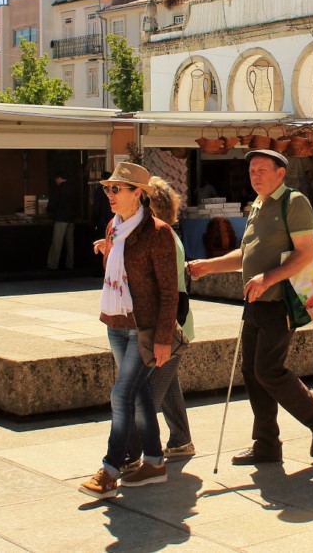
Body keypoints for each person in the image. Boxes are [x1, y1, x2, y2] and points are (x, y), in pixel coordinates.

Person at [188, 149, 313, 466]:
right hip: (256, 300)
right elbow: (246, 254)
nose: (255, 175)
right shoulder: (258, 205)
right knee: (252, 373)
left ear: (280, 173)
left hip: (279, 301)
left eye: (262, 170)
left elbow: (305, 254)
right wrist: (208, 266)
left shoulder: (294, 201)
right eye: (252, 171)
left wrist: (267, 278)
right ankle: (267, 444)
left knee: (268, 370)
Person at [80, 163, 179, 499]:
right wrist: (109, 251)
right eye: (108, 189)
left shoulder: (159, 232)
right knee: (136, 396)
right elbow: (116, 275)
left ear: (138, 193)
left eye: (117, 189)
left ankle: (110, 469)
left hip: (144, 328)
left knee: (121, 395)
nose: (110, 195)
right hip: (116, 323)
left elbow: (169, 292)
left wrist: (164, 338)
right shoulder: (113, 228)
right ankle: (154, 462)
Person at [122, 176, 195, 471]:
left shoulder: (162, 238)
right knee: (167, 386)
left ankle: (130, 453)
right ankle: (181, 440)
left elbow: (168, 293)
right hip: (170, 327)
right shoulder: (154, 237)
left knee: (148, 394)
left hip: (168, 329)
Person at [47, 172, 80, 272]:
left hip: (61, 218)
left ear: (58, 178)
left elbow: (52, 204)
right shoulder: (73, 188)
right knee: (70, 242)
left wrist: (49, 211)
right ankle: (70, 264)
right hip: (71, 219)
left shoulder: (59, 189)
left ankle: (53, 264)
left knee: (57, 242)